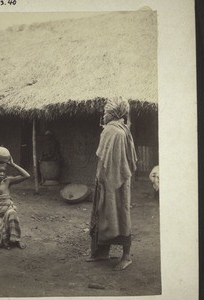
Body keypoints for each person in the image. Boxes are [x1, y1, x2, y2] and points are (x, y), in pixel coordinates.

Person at [87, 97, 137, 271]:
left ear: (113, 113)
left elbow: (109, 159)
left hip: (114, 180)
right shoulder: (120, 129)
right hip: (115, 178)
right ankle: (103, 252)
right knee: (110, 213)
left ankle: (126, 256)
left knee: (117, 215)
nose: (104, 114)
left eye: (106, 112)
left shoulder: (112, 131)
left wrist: (104, 177)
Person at [0, 156, 30, 250]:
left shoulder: (7, 182)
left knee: (12, 212)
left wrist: (13, 164)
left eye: (4, 171)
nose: (2, 174)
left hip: (8, 212)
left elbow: (26, 176)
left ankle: (17, 240)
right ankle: (5, 238)